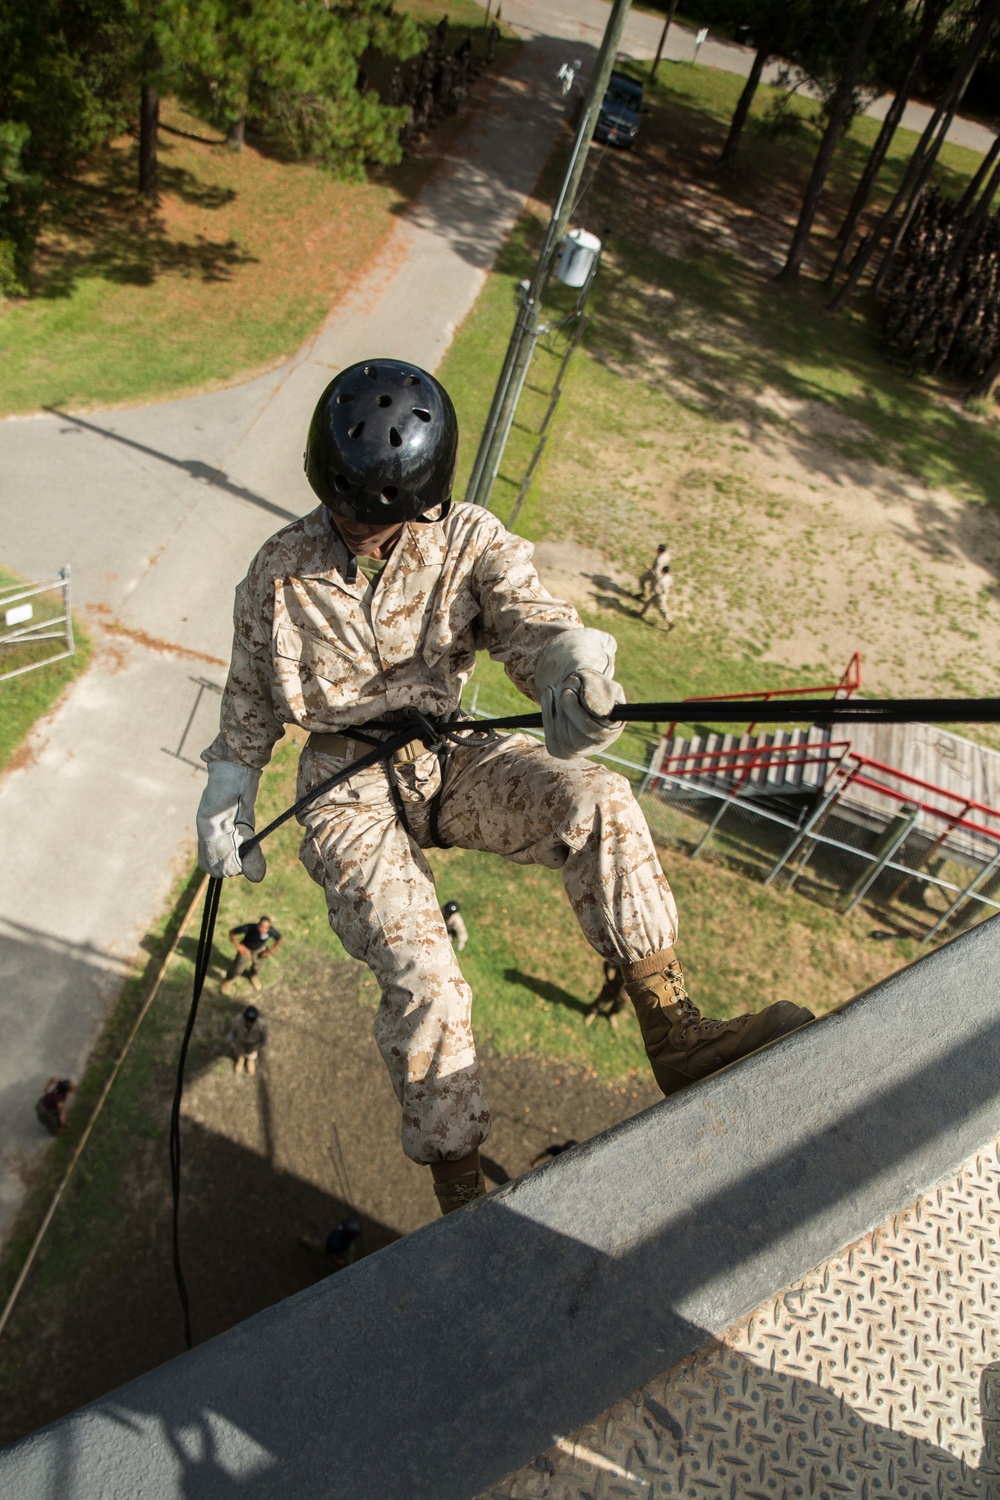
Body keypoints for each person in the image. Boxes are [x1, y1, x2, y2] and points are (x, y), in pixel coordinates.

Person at [196, 358, 812, 1216]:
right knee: (427, 973)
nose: (358, 533)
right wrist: (231, 783)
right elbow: (252, 691)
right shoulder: (280, 571)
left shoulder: (466, 539)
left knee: (600, 802)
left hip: (446, 753)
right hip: (345, 784)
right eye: (344, 513)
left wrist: (571, 671)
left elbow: (527, 615)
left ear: (425, 496)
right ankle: (459, 1190)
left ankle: (676, 1032)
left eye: (379, 521)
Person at [220, 914, 283, 995]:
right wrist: (238, 946)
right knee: (237, 968)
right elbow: (232, 932)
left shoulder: (270, 931)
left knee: (257, 966)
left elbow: (280, 938)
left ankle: (253, 975)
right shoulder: (249, 927)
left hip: (259, 950)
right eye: (261, 926)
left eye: (266, 928)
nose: (263, 929)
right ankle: (229, 980)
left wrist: (270, 951)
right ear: (258, 924)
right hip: (246, 949)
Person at [637, 542, 673, 629]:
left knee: (661, 608)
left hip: (658, 589)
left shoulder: (659, 562)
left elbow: (656, 573)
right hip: (658, 590)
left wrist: (649, 567)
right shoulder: (669, 577)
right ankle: (640, 613)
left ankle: (670, 622)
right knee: (648, 603)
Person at [583, 959, 627, 1028]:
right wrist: (608, 979)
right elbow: (607, 963)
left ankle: (611, 1015)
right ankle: (593, 1012)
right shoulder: (624, 959)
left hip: (626, 993)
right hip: (613, 986)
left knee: (619, 1007)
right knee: (601, 1001)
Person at [227, 1004, 268, 1075]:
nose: (249, 1023)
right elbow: (233, 1032)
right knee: (240, 1054)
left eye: (252, 1021)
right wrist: (231, 1041)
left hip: (253, 1046)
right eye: (248, 1020)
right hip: (240, 1044)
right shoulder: (238, 1021)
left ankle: (250, 1061)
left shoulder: (261, 1025)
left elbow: (264, 1037)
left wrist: (260, 1045)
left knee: (251, 1055)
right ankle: (240, 1060)